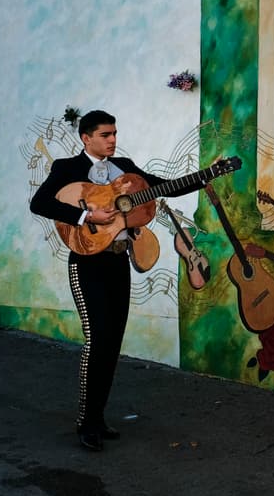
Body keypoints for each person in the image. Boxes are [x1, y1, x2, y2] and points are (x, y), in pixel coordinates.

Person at [29, 109, 199, 451]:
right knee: (97, 340)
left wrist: (205, 177)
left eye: (115, 133)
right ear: (86, 137)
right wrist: (85, 214)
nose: (112, 140)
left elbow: (160, 186)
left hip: (119, 261)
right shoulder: (68, 168)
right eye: (106, 134)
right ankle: (86, 422)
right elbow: (40, 203)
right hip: (86, 263)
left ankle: (99, 417)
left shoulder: (125, 167)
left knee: (113, 342)